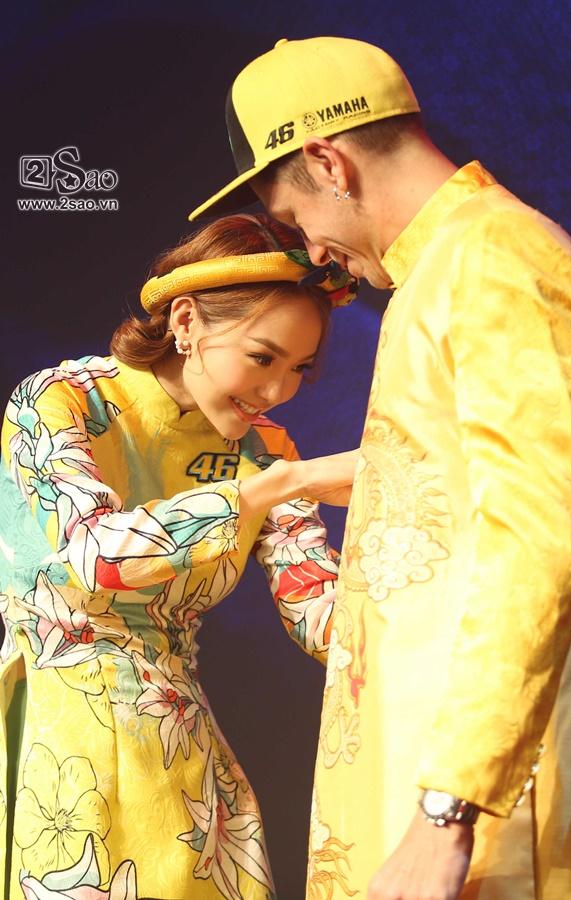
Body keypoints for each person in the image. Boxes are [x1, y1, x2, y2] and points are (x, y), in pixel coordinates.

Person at [189, 36, 571, 900]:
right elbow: (450, 487)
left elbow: (542, 534)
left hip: (484, 824)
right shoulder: (445, 270)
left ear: (327, 163)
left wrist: (448, 810)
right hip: (435, 796)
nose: (314, 254)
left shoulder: (493, 257)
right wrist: (306, 481)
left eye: (298, 220)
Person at [0, 211, 359, 899]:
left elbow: (321, 615)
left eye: (299, 370)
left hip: (187, 770)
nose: (278, 392)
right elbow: (97, 557)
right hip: (58, 748)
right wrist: (278, 485)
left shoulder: (266, 453)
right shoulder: (62, 401)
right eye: (263, 358)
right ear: (186, 321)